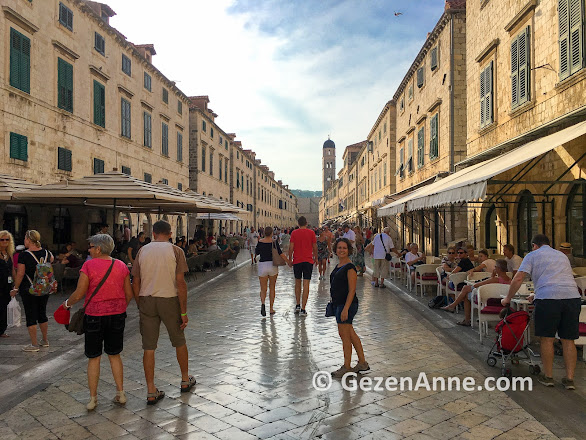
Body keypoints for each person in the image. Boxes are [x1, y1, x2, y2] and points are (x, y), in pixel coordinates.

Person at [63, 234, 133, 410]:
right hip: (117, 315)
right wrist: (119, 306)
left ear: (99, 248)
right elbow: (129, 293)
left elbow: (79, 293)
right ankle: (121, 393)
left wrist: (66, 305)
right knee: (114, 355)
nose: (89, 249)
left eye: (91, 246)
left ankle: (93, 399)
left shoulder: (88, 265)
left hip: (94, 315)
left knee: (93, 357)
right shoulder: (121, 265)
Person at [502, 234, 580, 390]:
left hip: (548, 299)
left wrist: (508, 298)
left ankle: (548, 376)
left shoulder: (532, 255)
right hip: (572, 298)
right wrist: (536, 293)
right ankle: (569, 379)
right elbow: (557, 279)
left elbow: (518, 278)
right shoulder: (561, 256)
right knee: (568, 340)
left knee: (547, 339)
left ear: (534, 245)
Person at [132, 220, 195, 405]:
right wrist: (183, 311)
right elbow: (181, 283)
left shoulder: (142, 251)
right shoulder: (176, 251)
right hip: (169, 299)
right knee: (179, 340)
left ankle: (151, 390)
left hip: (147, 300)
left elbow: (135, 281)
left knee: (148, 347)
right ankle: (185, 379)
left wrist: (140, 303)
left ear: (153, 233)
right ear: (170, 233)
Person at [330, 238, 369, 378]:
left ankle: (347, 366)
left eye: (344, 248)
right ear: (335, 249)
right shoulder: (340, 265)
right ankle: (362, 363)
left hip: (346, 305)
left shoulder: (350, 267)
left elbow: (352, 290)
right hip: (339, 304)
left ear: (349, 250)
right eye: (339, 248)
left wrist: (345, 309)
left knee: (345, 336)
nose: (341, 250)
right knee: (350, 334)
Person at [11, 230, 54, 352]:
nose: (24, 241)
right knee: (42, 313)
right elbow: (50, 262)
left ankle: (34, 344)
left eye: (25, 238)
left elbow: (20, 273)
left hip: (29, 288)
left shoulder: (24, 255)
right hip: (44, 287)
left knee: (31, 315)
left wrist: (15, 288)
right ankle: (45, 340)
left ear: (29, 240)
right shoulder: (47, 252)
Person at [441, 259, 511, 325]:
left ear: (498, 268)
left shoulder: (495, 280)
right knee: (466, 290)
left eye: (495, 267)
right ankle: (453, 306)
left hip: (487, 300)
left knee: (466, 293)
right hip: (501, 301)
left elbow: (477, 285)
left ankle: (463, 316)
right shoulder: (510, 280)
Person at [255, 227, 290, 316]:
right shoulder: (274, 242)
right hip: (272, 265)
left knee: (263, 289)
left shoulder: (260, 242)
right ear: (271, 233)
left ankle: (263, 303)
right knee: (272, 287)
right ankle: (271, 308)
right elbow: (280, 253)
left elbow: (257, 252)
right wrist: (288, 261)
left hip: (262, 265)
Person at [288, 216, 318, 316]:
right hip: (308, 261)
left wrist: (289, 259)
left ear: (298, 223)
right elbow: (314, 247)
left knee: (297, 283)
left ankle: (297, 305)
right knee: (306, 284)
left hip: (297, 260)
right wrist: (316, 258)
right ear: (306, 223)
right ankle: (303, 309)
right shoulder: (311, 233)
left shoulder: (294, 233)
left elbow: (291, 247)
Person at [0, 231, 15, 338]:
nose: (5, 241)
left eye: (7, 239)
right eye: (2, 239)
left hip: (7, 284)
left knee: (4, 306)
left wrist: (15, 284)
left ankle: (2, 329)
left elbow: (13, 269)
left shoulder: (9, 254)